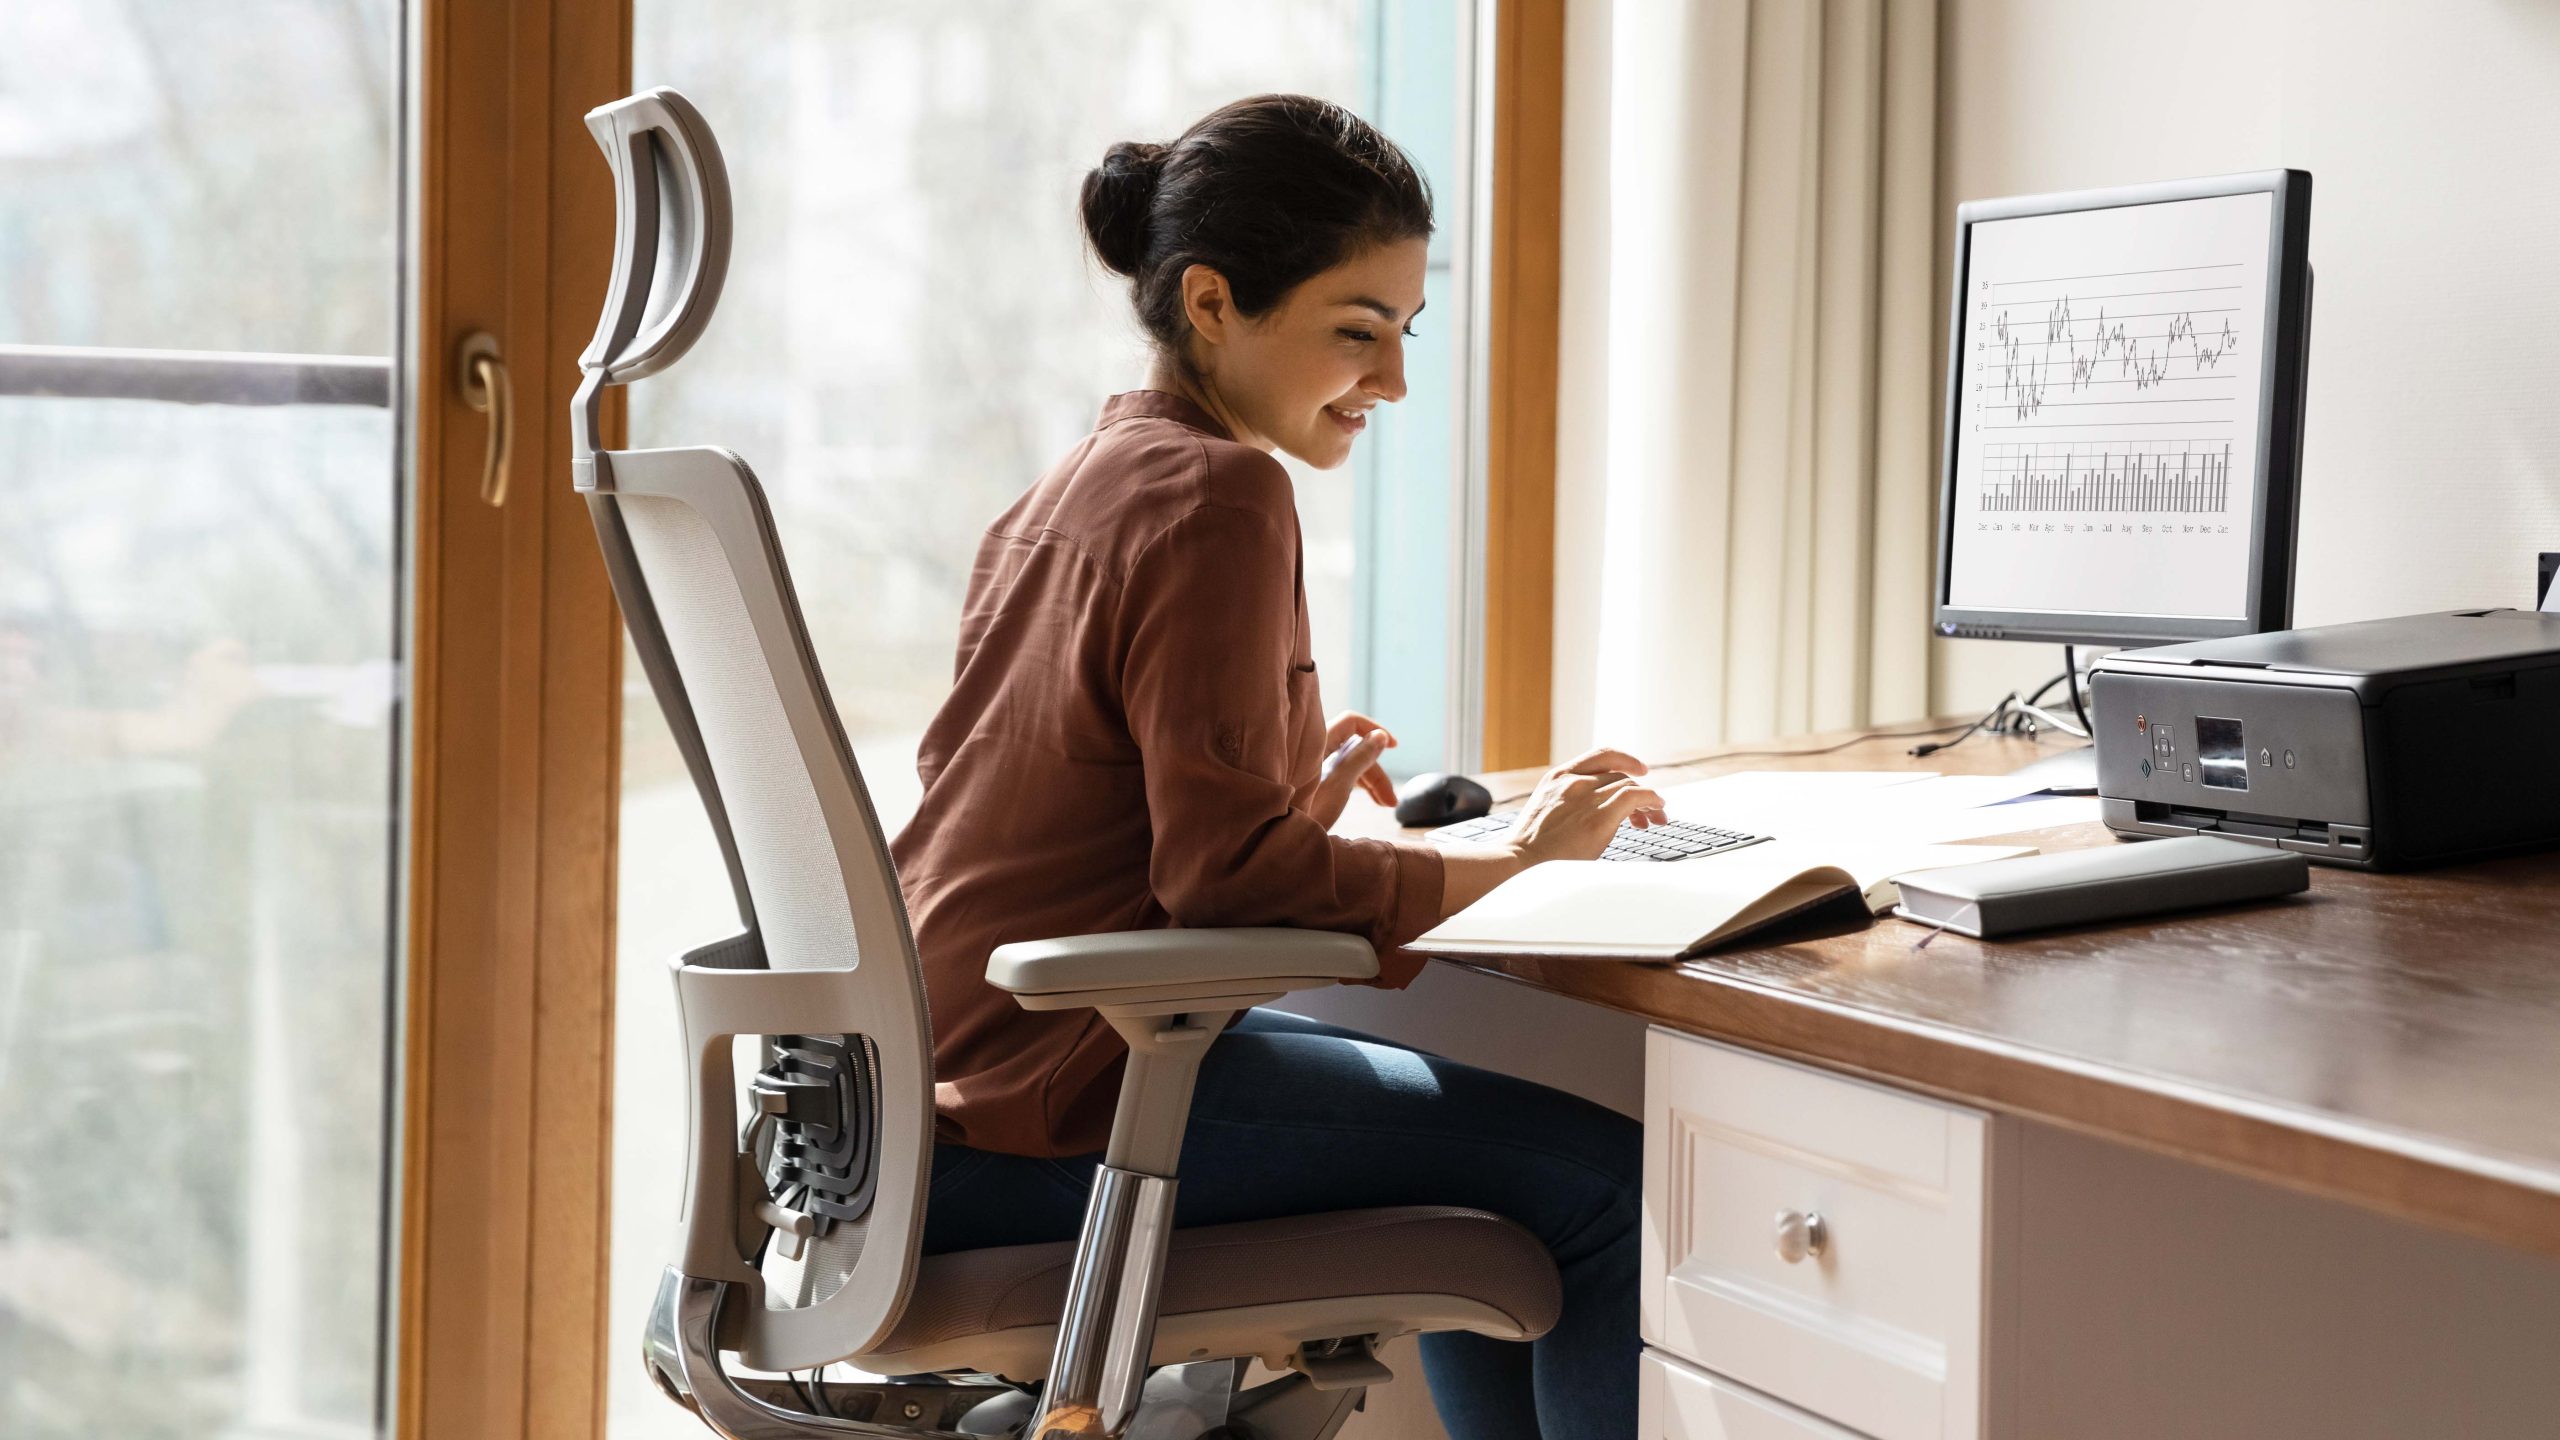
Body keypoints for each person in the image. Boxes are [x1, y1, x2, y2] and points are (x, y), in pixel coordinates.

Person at [892, 93, 1662, 1439]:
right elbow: (1221, 876)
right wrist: (1519, 858)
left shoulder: (1071, 487)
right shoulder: (1221, 497)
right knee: (1612, 1192)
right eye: (1356, 333)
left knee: (1495, 1205)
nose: (1394, 382)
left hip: (920, 1108)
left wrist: (1285, 812)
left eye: (1404, 335)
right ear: (1212, 303)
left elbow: (1092, 829)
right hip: (1055, 1113)